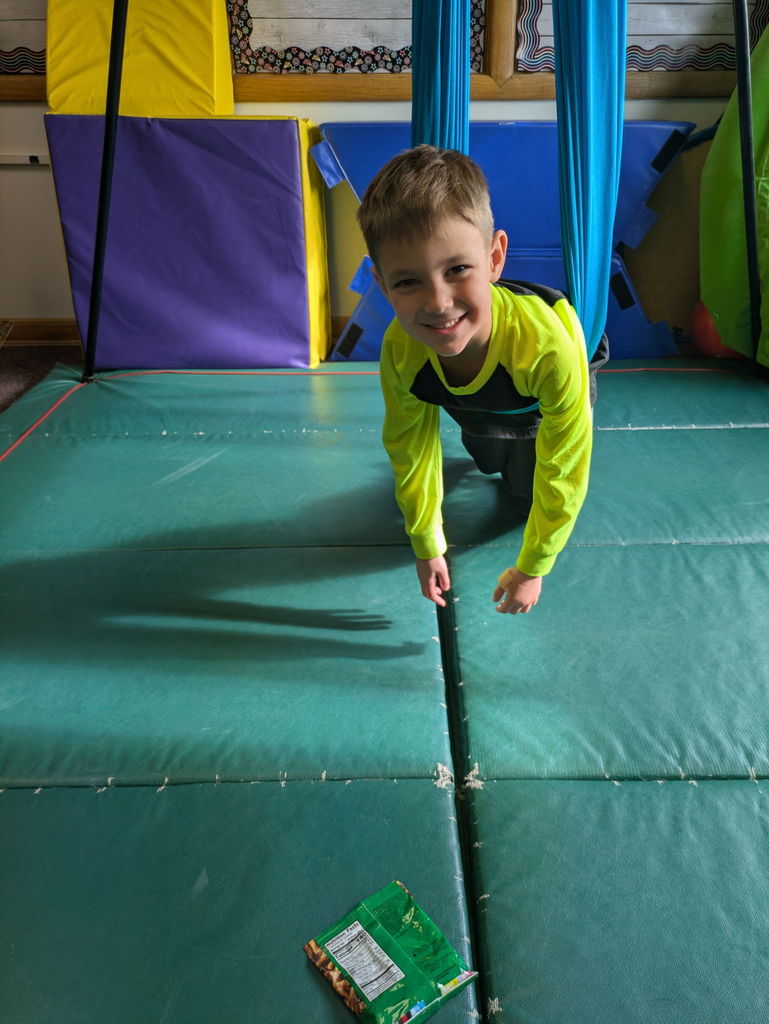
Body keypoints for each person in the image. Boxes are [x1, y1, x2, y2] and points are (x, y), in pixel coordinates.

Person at [356, 145, 607, 615]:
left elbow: (566, 463)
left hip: (538, 387)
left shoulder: (546, 348)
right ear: (383, 285)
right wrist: (426, 542)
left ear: (494, 259)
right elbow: (411, 446)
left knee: (525, 492)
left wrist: (534, 567)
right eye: (408, 282)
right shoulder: (401, 346)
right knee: (489, 461)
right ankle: (497, 449)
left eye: (457, 270)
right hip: (479, 404)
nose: (437, 302)